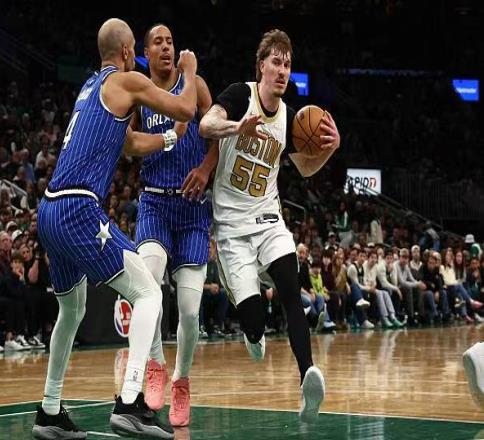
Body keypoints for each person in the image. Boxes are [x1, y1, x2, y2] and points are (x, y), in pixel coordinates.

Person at [32, 18, 199, 440]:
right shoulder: (129, 81)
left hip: (48, 208)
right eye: (137, 51)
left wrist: (169, 140)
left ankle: (49, 410)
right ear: (127, 52)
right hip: (77, 207)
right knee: (148, 293)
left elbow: (129, 144)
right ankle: (129, 403)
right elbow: (185, 108)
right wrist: (190, 69)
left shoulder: (90, 88)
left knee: (72, 311)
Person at [199, 29, 340, 420]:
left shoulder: (291, 118)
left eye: (287, 64)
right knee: (255, 320)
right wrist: (236, 127)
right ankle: (253, 331)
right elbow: (206, 126)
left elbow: (305, 169)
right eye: (276, 62)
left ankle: (307, 378)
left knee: (292, 291)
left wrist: (331, 149)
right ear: (261, 65)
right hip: (232, 229)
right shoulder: (239, 95)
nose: (282, 70)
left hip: (268, 220)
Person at [131, 24, 218, 427]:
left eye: (170, 41)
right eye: (158, 42)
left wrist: (205, 168)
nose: (166, 47)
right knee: (147, 283)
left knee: (189, 310)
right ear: (146, 52)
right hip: (154, 202)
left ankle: (181, 381)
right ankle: (155, 364)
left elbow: (218, 136)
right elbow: (128, 142)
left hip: (193, 209)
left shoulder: (195, 84)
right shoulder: (139, 91)